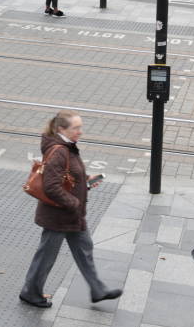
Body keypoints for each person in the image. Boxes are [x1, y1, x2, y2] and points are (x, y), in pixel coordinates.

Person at [20, 110, 123, 308]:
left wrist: (85, 182)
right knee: (47, 255)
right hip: (59, 215)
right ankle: (30, 292)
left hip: (70, 214)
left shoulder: (67, 146)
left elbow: (67, 177)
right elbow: (51, 186)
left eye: (80, 127)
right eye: (76, 128)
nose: (80, 132)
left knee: (84, 249)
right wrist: (74, 202)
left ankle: (97, 289)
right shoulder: (59, 150)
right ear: (61, 129)